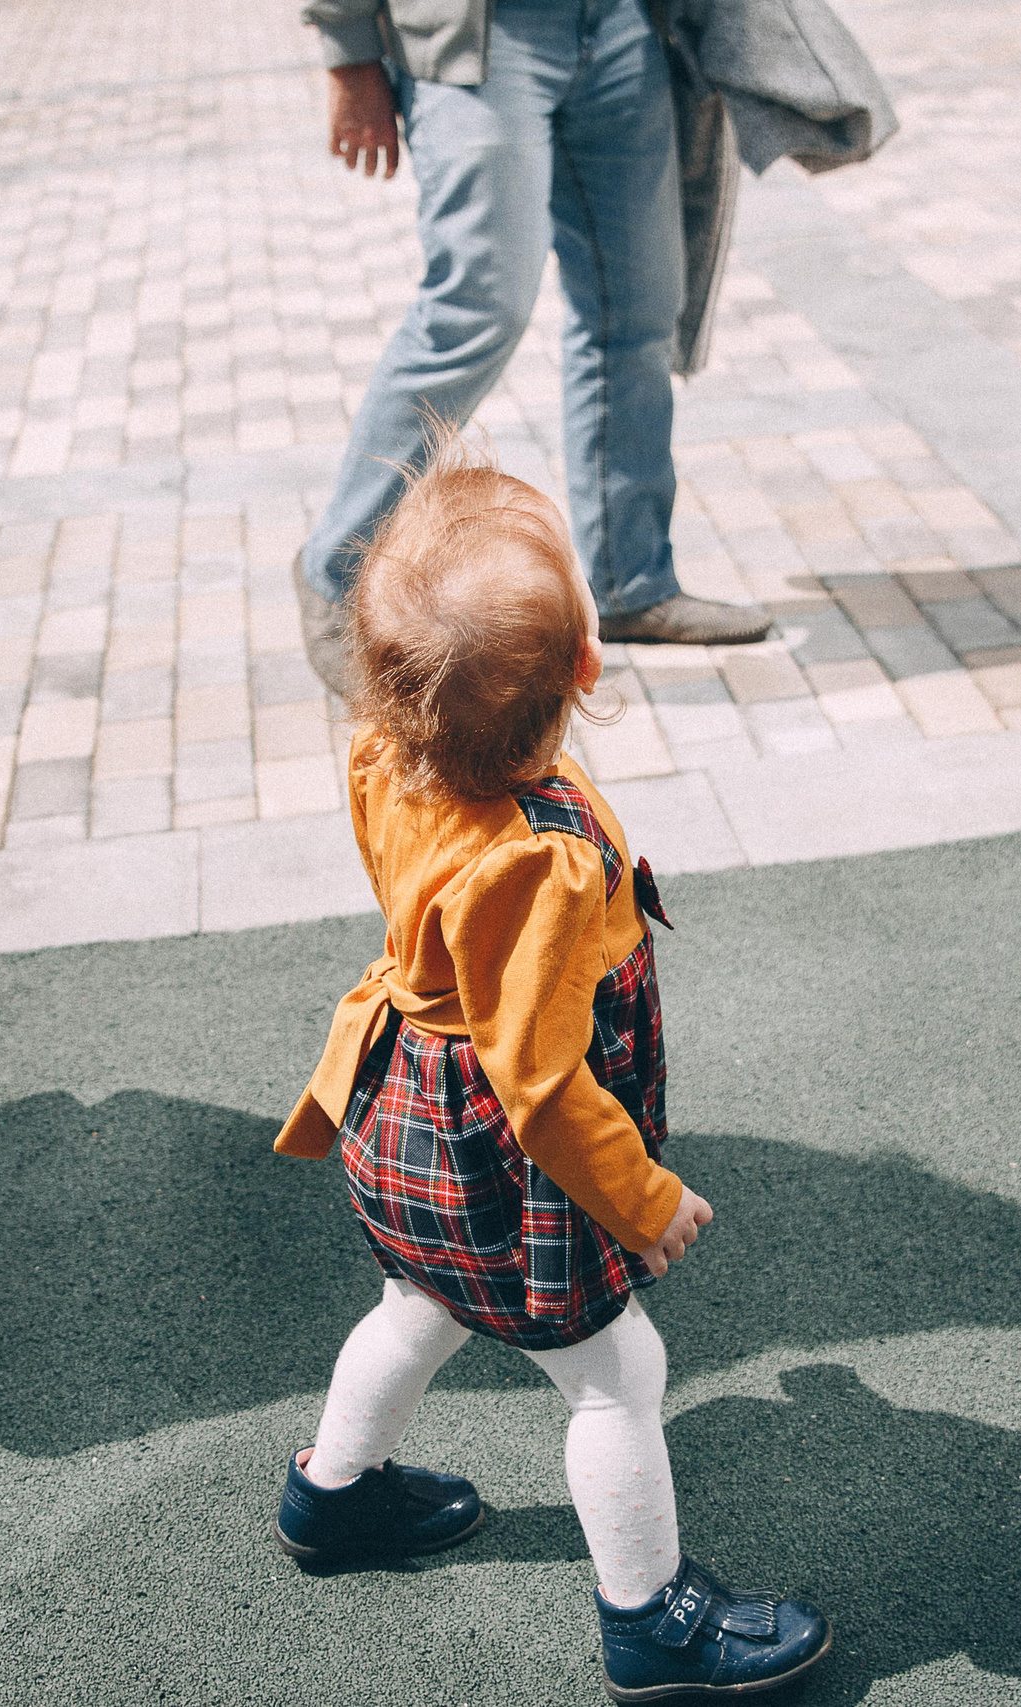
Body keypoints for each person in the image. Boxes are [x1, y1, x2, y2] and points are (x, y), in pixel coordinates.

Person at [269, 434, 829, 1702]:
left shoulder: (378, 752)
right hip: (498, 1162)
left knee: (416, 1307)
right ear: (587, 664)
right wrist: (642, 1197)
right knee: (617, 1374)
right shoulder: (544, 861)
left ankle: (333, 1497)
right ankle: (652, 1622)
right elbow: (540, 1081)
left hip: (397, 1112)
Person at [293, 0, 780, 696]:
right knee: (476, 309)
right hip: (479, 40)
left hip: (620, 26)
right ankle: (336, 572)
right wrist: (348, 52)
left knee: (639, 308)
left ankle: (630, 582)